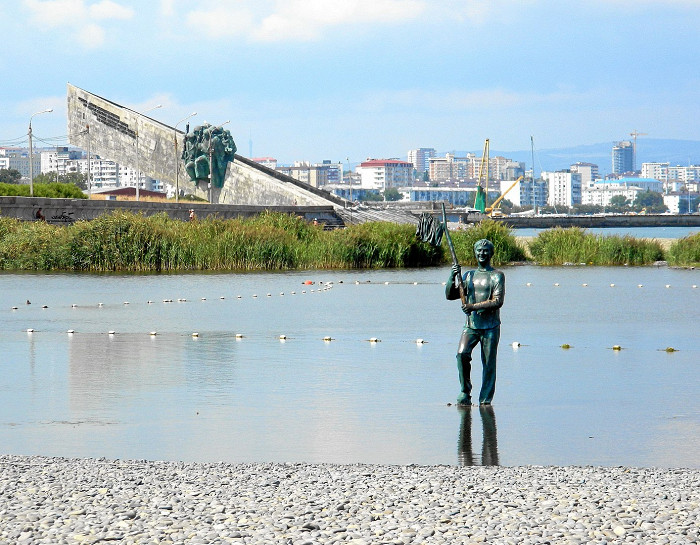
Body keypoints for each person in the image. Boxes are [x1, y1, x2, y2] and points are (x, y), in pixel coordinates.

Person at [446, 239, 505, 406]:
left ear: (491, 253)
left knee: (488, 364)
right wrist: (452, 277)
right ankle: (465, 390)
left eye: (485, 251)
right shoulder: (468, 275)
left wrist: (472, 306)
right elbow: (450, 295)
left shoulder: (497, 275)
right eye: (479, 250)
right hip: (471, 325)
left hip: (490, 327)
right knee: (461, 354)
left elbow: (497, 301)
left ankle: (485, 401)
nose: (482, 253)